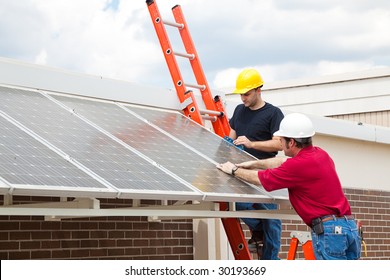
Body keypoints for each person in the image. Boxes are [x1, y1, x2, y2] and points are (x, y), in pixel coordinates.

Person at [217, 113, 361, 260]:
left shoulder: (297, 166)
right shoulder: (320, 154)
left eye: (281, 140)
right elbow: (281, 162)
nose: (280, 143)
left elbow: (260, 179)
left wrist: (234, 170)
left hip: (330, 232)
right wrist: (253, 163)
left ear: (291, 142)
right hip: (349, 227)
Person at [228, 68, 284, 260]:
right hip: (241, 171)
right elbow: (230, 137)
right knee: (239, 207)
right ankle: (259, 232)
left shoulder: (273, 113)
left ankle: (271, 261)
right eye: (241, 94)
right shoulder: (238, 111)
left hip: (264, 171)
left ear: (258, 90)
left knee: (272, 218)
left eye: (247, 94)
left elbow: (279, 144)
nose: (243, 98)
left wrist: (251, 143)